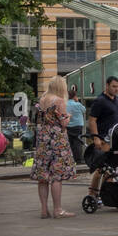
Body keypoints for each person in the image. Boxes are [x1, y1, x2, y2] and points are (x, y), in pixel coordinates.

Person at [31, 76, 77, 218]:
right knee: (57, 175)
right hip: (57, 140)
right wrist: (68, 116)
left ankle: (44, 210)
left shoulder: (42, 100)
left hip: (43, 140)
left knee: (43, 176)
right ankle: (58, 210)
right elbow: (63, 123)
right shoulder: (59, 101)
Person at [85, 76, 118, 205]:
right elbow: (92, 120)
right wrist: (96, 137)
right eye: (114, 86)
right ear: (107, 86)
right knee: (101, 169)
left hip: (114, 139)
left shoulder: (116, 99)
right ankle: (92, 194)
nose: (116, 89)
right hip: (103, 139)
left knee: (111, 169)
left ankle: (106, 194)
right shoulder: (100, 101)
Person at [65, 85, 86, 163]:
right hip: (77, 125)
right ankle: (79, 159)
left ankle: (71, 158)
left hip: (68, 126)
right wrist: (77, 101)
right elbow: (84, 110)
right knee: (77, 142)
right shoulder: (77, 104)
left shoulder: (65, 104)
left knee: (69, 142)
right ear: (74, 96)